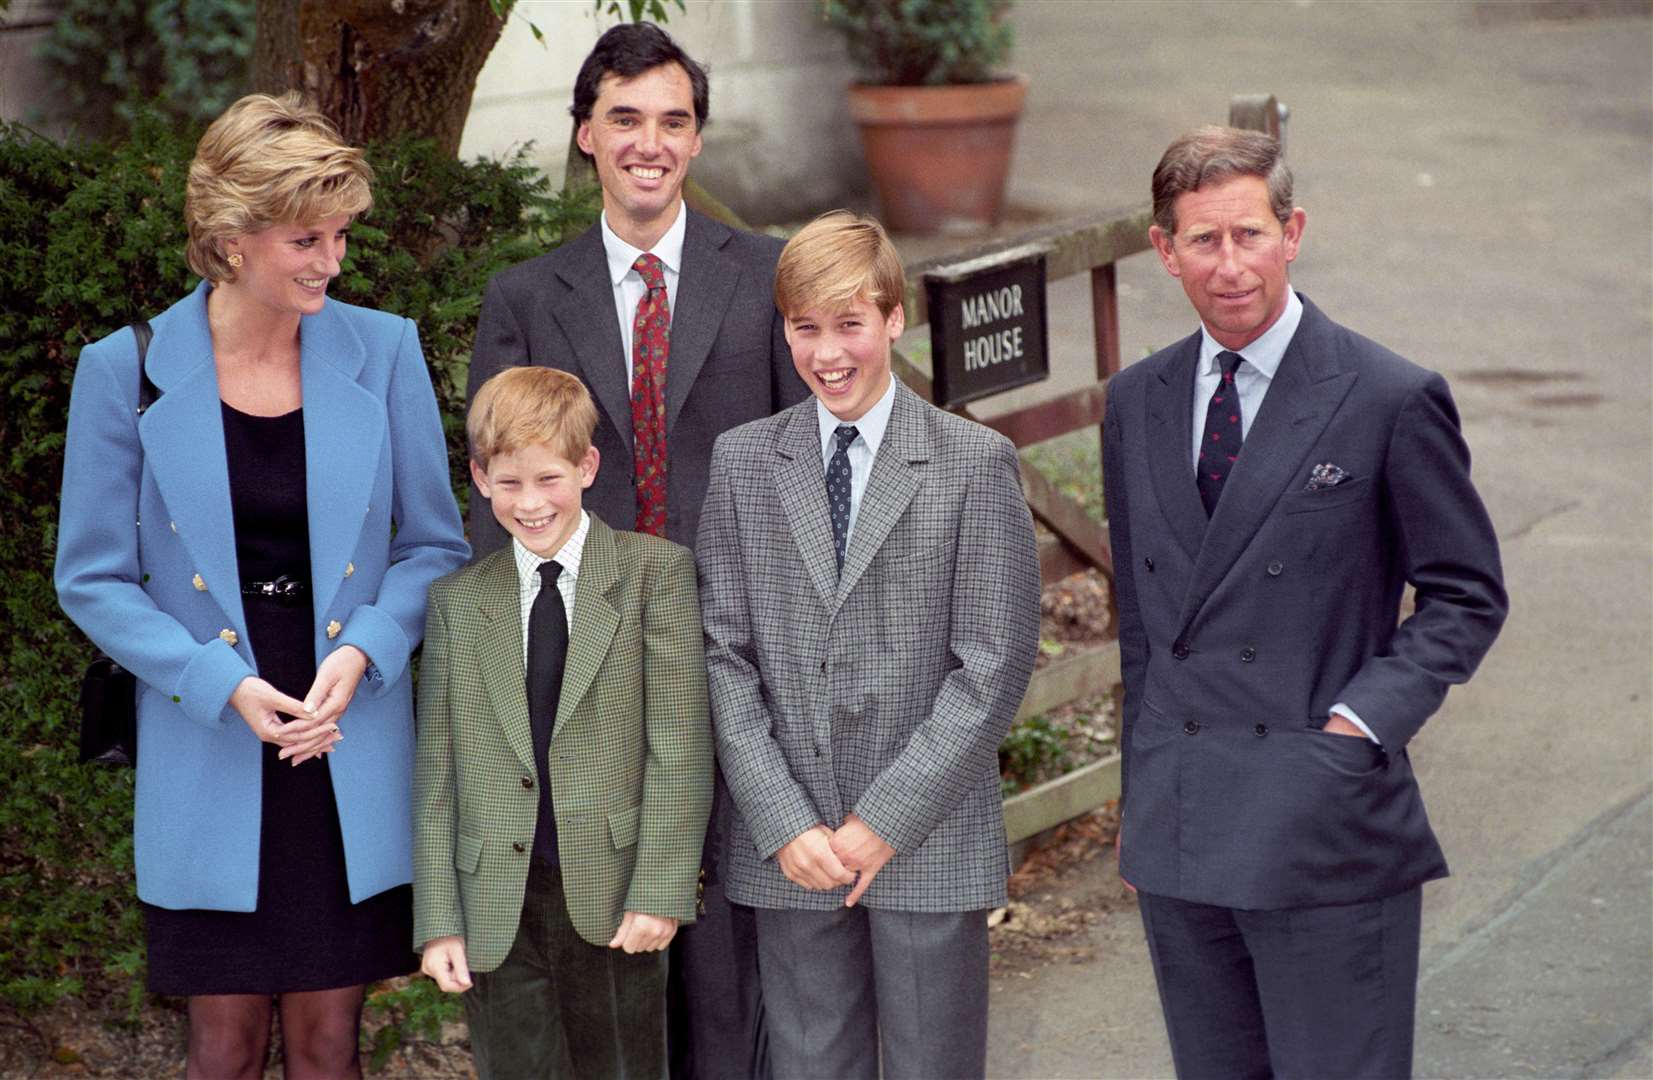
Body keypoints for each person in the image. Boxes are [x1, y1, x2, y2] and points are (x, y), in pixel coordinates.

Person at [54, 92, 469, 1078]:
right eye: (306, 239)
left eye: (338, 234)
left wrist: (367, 650)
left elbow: (434, 548)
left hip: (346, 734)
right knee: (225, 1046)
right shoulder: (126, 372)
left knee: (332, 1047)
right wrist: (216, 683)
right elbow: (94, 576)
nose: (333, 259)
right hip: (209, 734)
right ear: (232, 240)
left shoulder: (388, 349)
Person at [1103, 125, 1509, 1078]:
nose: (1230, 264)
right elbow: (1142, 626)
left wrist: (1358, 724)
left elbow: (1465, 593)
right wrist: (1142, 776)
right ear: (1163, 250)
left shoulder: (1386, 395)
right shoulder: (1137, 400)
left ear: (1292, 232)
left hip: (1321, 817)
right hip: (1182, 811)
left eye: (1249, 234)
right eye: (1203, 240)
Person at [465, 23, 807, 1078]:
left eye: (673, 120)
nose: (648, 142)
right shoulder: (527, 297)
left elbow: (804, 467)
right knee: (611, 947)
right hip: (589, 671)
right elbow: (493, 497)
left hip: (740, 654)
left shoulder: (765, 276)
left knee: (729, 955)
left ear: (697, 139)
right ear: (585, 136)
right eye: (624, 119)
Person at [696, 210, 1042, 1080]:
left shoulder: (972, 462)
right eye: (804, 328)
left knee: (931, 1063)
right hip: (793, 844)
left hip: (925, 833)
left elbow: (992, 664)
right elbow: (722, 656)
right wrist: (781, 820)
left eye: (849, 324)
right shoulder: (744, 463)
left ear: (893, 319)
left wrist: (885, 820)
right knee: (811, 1064)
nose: (827, 352)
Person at [414, 365, 713, 1079]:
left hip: (613, 895)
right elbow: (437, 774)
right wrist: (438, 922)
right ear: (481, 479)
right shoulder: (458, 601)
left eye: (548, 479)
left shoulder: (654, 575)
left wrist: (660, 891)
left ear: (586, 466)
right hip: (495, 904)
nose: (530, 502)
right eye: (509, 483)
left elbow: (678, 747)